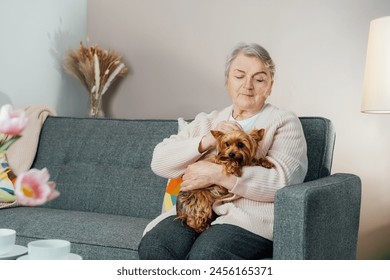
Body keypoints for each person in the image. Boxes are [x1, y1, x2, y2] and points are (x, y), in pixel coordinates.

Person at [138, 43, 308, 260]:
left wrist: (216, 174)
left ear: (270, 86)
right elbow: (159, 162)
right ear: (227, 80)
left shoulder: (284, 122)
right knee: (155, 245)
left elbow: (283, 182)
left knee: (208, 255)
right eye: (239, 76)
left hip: (249, 219)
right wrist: (207, 140)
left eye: (259, 79)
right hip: (197, 209)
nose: (248, 85)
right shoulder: (209, 121)